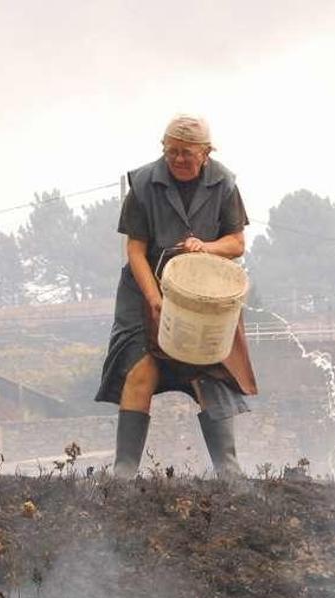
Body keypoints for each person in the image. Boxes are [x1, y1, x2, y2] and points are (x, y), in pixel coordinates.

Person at [96, 114, 257, 478]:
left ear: (206, 153)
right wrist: (154, 299)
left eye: (187, 153)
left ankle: (228, 470)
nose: (178, 159)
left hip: (206, 296)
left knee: (210, 370)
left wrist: (206, 247)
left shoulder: (225, 184)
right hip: (144, 290)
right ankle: (123, 472)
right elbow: (135, 250)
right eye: (172, 151)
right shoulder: (143, 185)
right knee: (140, 368)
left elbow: (236, 243)